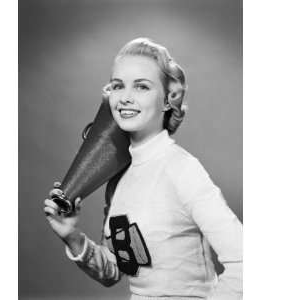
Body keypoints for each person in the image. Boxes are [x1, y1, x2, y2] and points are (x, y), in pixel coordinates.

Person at [44, 38, 243, 300]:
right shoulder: (118, 176)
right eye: (118, 86)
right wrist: (72, 237)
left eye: (141, 86)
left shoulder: (182, 169)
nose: (125, 98)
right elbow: (116, 270)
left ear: (168, 99)